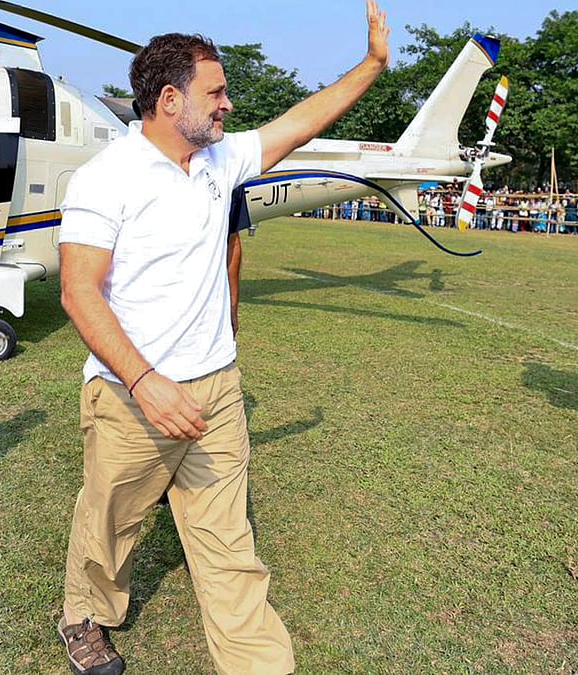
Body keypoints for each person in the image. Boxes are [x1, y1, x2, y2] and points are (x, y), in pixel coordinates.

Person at [55, 3, 390, 673]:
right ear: (170, 98)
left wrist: (374, 66)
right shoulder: (105, 178)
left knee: (229, 542)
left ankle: (258, 664)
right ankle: (83, 616)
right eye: (217, 92)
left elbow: (299, 122)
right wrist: (146, 383)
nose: (229, 105)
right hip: (130, 394)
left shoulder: (217, 160)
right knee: (109, 526)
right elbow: (78, 290)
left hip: (216, 388)